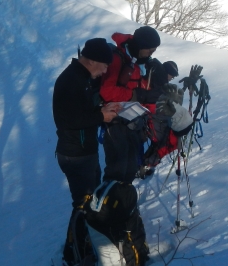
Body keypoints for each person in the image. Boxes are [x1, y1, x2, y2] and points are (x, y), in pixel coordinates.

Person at [53, 38, 120, 207]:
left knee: (93, 202)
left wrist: (102, 109)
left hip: (84, 151)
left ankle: (88, 224)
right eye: (104, 66)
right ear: (92, 61)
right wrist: (101, 117)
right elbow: (70, 120)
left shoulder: (82, 78)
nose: (105, 71)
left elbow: (81, 110)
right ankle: (82, 225)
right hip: (76, 154)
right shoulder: (72, 80)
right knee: (85, 205)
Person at [99, 26, 161, 183]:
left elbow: (144, 92)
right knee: (117, 170)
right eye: (149, 50)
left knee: (130, 169)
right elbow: (107, 91)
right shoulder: (117, 58)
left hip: (133, 121)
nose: (151, 54)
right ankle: (111, 197)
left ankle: (124, 196)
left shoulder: (140, 62)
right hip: (115, 122)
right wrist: (136, 95)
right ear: (140, 45)